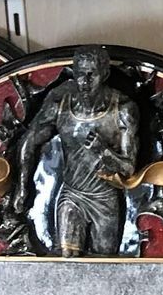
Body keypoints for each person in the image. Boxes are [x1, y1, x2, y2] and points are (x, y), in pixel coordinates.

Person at [7, 46, 137, 258]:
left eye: (91, 74)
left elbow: (129, 168)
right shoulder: (60, 105)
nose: (84, 82)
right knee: (66, 259)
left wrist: (102, 151)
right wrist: (21, 187)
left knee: (104, 264)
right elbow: (29, 143)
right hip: (72, 194)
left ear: (104, 74)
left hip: (104, 199)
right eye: (79, 74)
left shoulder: (122, 109)